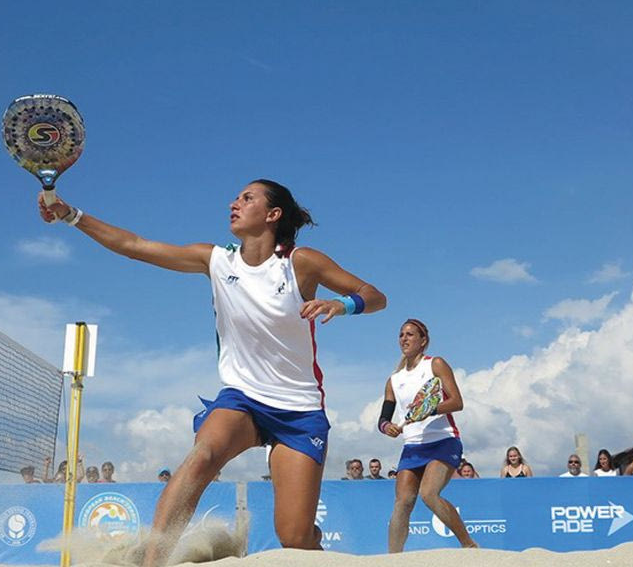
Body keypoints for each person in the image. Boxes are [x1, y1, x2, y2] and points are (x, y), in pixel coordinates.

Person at [39, 179, 386, 566]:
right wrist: (72, 216)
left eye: (247, 198)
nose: (233, 203)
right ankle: (154, 561)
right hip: (242, 397)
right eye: (237, 197)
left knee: (294, 536)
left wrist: (342, 305)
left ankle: (311, 538)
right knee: (202, 455)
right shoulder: (216, 259)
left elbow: (374, 296)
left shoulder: (300, 262)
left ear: (273, 215)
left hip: (298, 409)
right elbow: (135, 246)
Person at [378, 318, 476, 552]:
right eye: (401, 334)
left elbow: (457, 402)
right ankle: (393, 559)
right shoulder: (393, 380)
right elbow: (384, 417)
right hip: (412, 446)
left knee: (429, 494)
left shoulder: (436, 364)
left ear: (423, 341)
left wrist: (429, 409)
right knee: (402, 503)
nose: (404, 338)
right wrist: (386, 427)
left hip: (443, 440)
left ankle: (469, 546)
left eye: (410, 334)